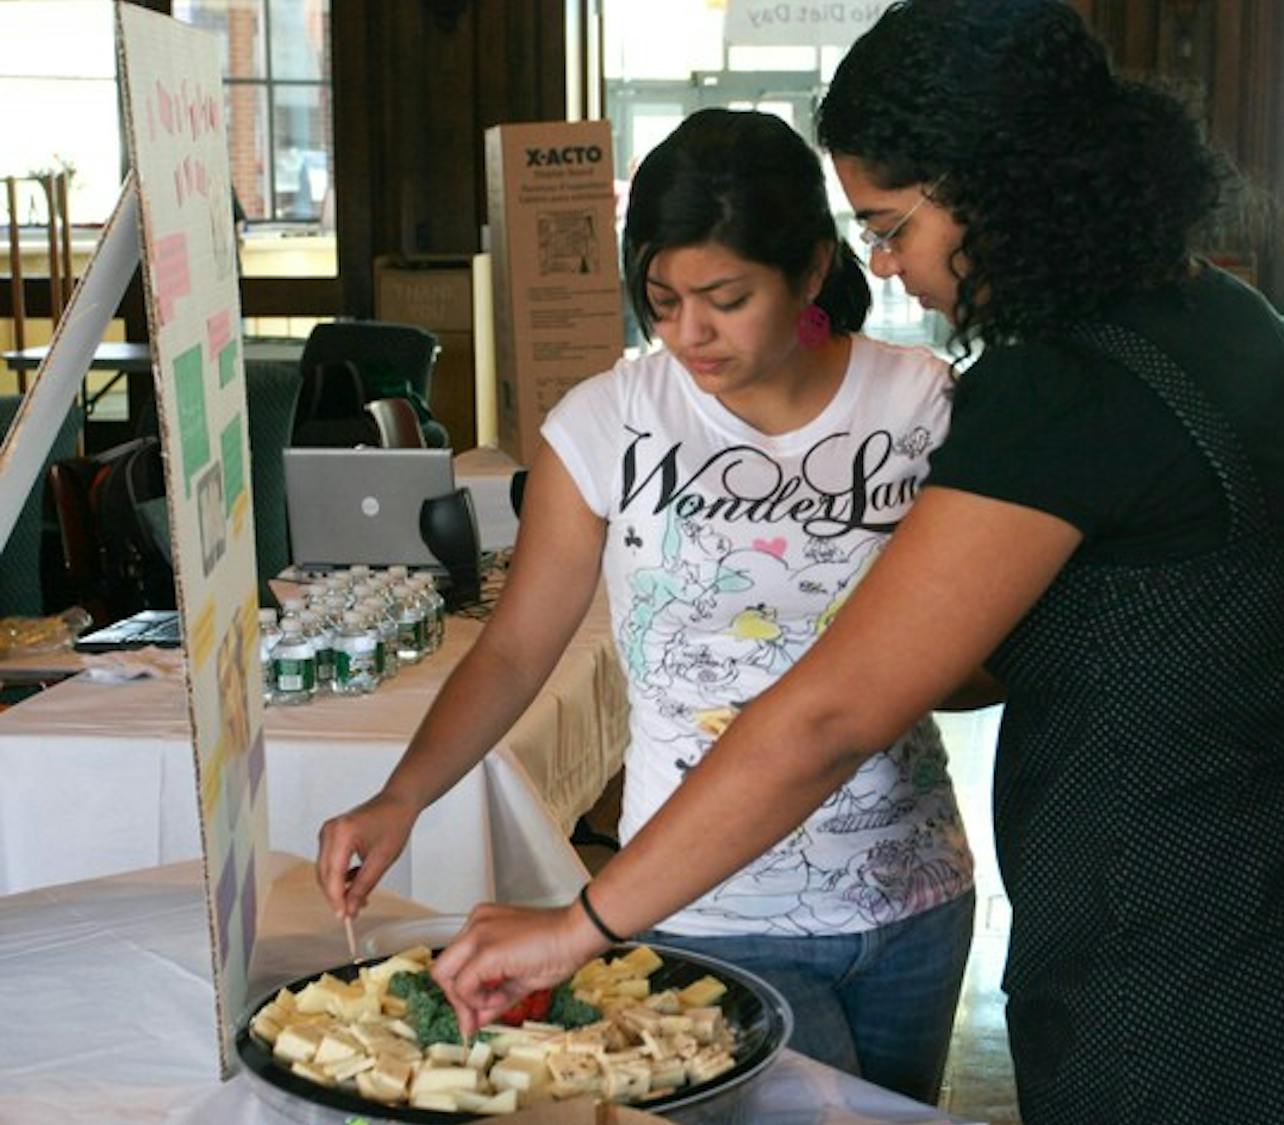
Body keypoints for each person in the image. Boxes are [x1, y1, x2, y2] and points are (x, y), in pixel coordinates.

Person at [422, 4, 1284, 1123]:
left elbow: (834, 721)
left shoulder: (1057, 389)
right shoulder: (1226, 317)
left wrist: (578, 927)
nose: (888, 264)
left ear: (997, 187)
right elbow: (1065, 639)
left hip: (1189, 973)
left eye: (891, 222)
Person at [317, 107, 975, 1103]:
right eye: (661, 300)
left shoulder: (920, 404)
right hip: (705, 904)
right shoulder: (610, 421)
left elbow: (971, 647)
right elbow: (514, 650)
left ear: (808, 270)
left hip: (909, 894)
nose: (688, 334)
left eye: (725, 298)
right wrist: (401, 794)